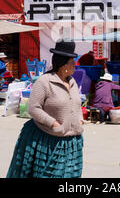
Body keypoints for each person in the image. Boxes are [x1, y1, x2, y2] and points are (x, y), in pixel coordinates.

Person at [6, 40, 84, 178]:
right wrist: (53, 123)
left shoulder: (72, 82)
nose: (75, 65)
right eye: (72, 62)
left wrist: (80, 119)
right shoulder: (45, 82)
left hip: (71, 142)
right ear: (63, 65)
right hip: (48, 139)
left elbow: (76, 104)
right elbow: (33, 108)